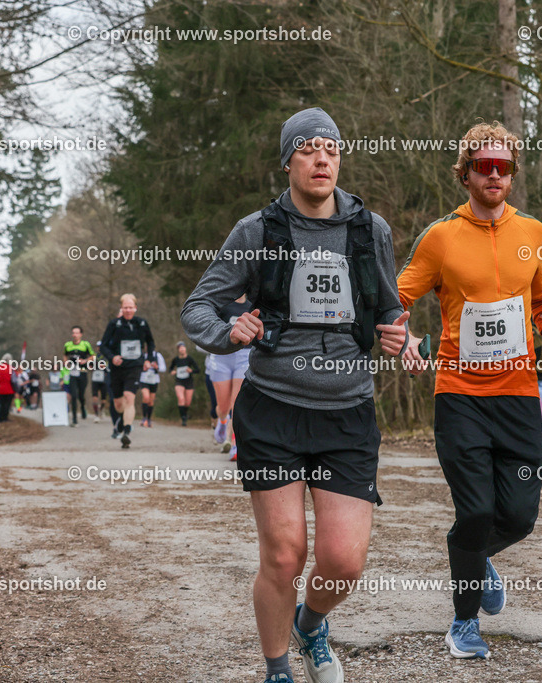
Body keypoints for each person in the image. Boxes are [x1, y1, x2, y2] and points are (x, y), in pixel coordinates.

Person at [181, 107, 409, 683]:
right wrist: (227, 331)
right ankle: (278, 667)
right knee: (285, 555)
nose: (321, 158)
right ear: (288, 162)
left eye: (331, 148)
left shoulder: (369, 229)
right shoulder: (256, 231)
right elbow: (198, 307)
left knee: (342, 562)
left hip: (348, 412)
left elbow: (388, 307)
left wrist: (397, 335)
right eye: (307, 148)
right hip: (273, 408)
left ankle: (311, 624)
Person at [397, 121, 542, 659]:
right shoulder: (440, 237)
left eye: (504, 167)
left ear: (514, 173)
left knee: (520, 515)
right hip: (459, 394)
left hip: (521, 393)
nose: (495, 175)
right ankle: (462, 623)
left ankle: (473, 559)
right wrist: (405, 340)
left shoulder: (532, 232)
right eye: (485, 166)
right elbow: (396, 299)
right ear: (466, 173)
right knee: (475, 512)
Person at [100, 293, 155, 448]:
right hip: (117, 367)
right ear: (121, 308)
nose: (128, 310)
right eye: (125, 307)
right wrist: (112, 357)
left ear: (135, 308)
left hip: (135, 366)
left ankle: (127, 431)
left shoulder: (142, 324)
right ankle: (121, 421)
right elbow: (103, 346)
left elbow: (150, 343)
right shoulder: (114, 324)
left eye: (131, 307)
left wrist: (149, 359)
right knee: (118, 403)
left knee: (129, 397)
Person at [208, 296, 253, 459]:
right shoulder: (222, 305)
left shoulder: (252, 306)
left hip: (244, 355)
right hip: (222, 356)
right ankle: (222, 421)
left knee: (237, 403)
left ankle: (235, 444)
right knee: (224, 406)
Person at [63, 326, 95, 426]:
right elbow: (65, 355)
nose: (75, 335)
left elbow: (93, 356)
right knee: (73, 395)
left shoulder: (85, 345)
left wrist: (85, 361)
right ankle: (74, 419)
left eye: (77, 333)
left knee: (81, 395)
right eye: (73, 333)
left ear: (81, 334)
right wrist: (66, 362)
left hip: (82, 372)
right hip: (72, 372)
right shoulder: (67, 345)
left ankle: (82, 406)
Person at [169, 342, 199, 426]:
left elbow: (198, 370)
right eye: (180, 348)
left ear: (185, 349)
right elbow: (170, 369)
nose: (182, 349)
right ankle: (183, 418)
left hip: (189, 382)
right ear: (178, 350)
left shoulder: (190, 359)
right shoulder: (176, 359)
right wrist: (172, 371)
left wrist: (191, 371)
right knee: (181, 398)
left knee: (187, 402)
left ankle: (185, 415)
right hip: (179, 381)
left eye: (183, 347)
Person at [138, 347, 166, 427]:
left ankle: (149, 419)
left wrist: (157, 367)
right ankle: (144, 418)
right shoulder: (142, 355)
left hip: (154, 379)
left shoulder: (158, 355)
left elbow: (163, 368)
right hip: (143, 379)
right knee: (146, 397)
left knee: (151, 400)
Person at [0, 354, 15, 422]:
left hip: (1, 389)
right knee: (7, 404)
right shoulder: (11, 368)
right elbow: (14, 379)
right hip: (9, 389)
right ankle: (5, 418)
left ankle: (0, 418)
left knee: (1, 404)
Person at [91, 354, 108, 422]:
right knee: (95, 397)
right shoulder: (94, 356)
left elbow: (107, 368)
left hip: (103, 381)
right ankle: (96, 414)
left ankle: (101, 410)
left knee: (103, 399)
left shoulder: (106, 357)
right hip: (95, 380)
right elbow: (89, 366)